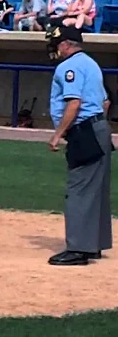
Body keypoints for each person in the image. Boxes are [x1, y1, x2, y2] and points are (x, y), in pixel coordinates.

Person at [45, 24, 112, 266]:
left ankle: (78, 249)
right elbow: (105, 102)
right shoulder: (91, 63)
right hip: (99, 129)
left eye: (56, 45)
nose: (55, 50)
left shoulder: (68, 67)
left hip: (84, 130)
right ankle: (93, 245)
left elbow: (74, 103)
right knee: (96, 190)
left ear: (65, 44)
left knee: (79, 189)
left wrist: (58, 134)